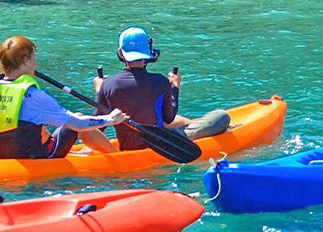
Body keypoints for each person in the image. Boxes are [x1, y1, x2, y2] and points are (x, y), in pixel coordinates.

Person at [0, 35, 127, 159]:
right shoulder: (33, 96)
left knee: (30, 121)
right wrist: (110, 119)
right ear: (25, 61)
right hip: (32, 156)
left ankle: (75, 153)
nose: (35, 62)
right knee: (77, 118)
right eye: (33, 57)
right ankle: (119, 159)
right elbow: (78, 125)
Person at [93, 26, 230, 151]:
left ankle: (192, 123)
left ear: (121, 54)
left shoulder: (108, 85)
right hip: (160, 144)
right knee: (221, 116)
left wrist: (99, 91)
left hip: (129, 147)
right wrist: (175, 87)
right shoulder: (160, 81)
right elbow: (169, 118)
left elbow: (99, 126)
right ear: (147, 53)